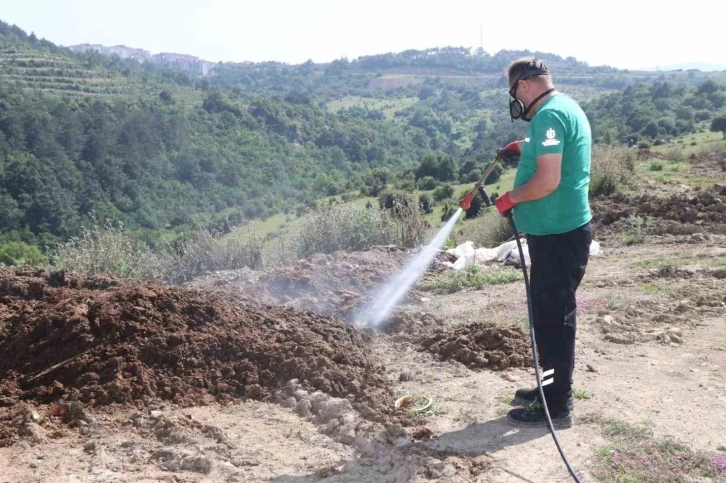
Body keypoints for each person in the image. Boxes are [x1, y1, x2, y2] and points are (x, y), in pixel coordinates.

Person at [494, 58, 593, 429]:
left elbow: (547, 182)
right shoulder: (563, 107)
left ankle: (555, 403)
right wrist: (525, 146)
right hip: (561, 233)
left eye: (513, 92)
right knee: (551, 317)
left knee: (552, 322)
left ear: (523, 86)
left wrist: (511, 198)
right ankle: (550, 390)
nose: (514, 100)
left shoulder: (548, 116)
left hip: (556, 235)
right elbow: (554, 150)